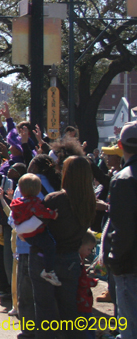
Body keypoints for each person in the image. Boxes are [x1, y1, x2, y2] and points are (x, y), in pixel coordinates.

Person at [30, 155, 96, 339]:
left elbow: (38, 225)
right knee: (69, 311)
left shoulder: (55, 199)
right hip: (71, 260)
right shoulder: (89, 202)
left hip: (46, 259)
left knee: (45, 311)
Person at [104, 121, 137, 339]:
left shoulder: (124, 179)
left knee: (130, 330)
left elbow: (123, 228)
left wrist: (113, 261)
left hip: (130, 265)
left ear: (120, 145)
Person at [10, 174, 61, 286]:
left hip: (25, 235)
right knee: (50, 245)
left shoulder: (17, 203)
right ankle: (48, 271)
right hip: (36, 233)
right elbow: (42, 212)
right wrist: (54, 215)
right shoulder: (34, 203)